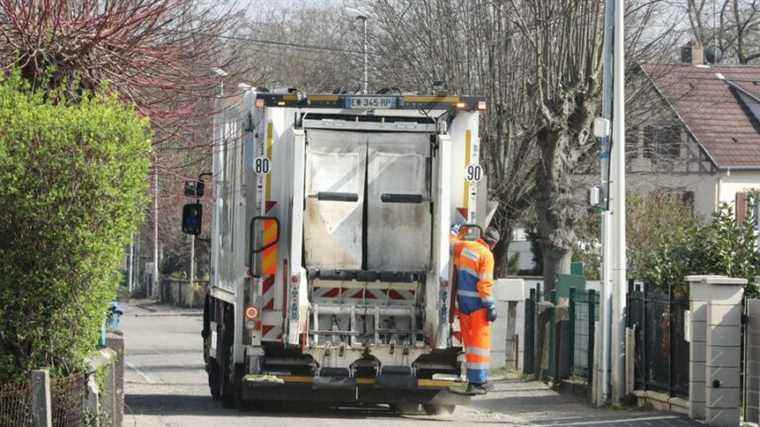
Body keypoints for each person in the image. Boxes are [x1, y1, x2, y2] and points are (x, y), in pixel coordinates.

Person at [451, 225, 500, 395]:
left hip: (463, 304)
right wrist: (490, 306)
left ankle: (474, 380)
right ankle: (478, 381)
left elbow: (452, 244)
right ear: (493, 244)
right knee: (480, 345)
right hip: (478, 305)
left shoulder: (467, 246)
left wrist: (454, 230)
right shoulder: (487, 255)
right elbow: (484, 284)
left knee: (471, 345)